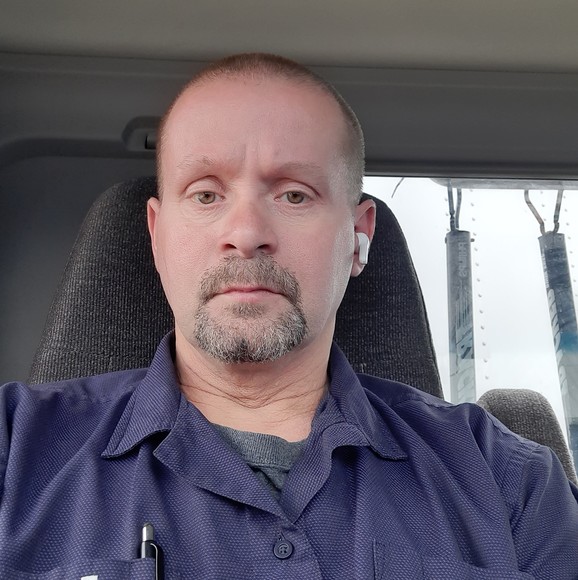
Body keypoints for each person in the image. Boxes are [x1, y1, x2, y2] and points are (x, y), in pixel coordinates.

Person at [0, 53, 577, 580]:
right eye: (205, 194)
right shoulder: (12, 453)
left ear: (357, 238)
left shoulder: (509, 482)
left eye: (294, 195)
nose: (246, 233)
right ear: (157, 236)